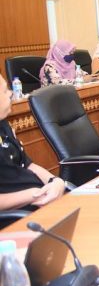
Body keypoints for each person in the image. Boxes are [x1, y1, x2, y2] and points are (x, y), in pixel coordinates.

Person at [0, 74, 67, 209]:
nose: (11, 93)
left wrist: (55, 181)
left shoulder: (3, 125)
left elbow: (27, 164)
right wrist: (34, 194)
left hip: (41, 200)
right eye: (5, 91)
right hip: (20, 214)